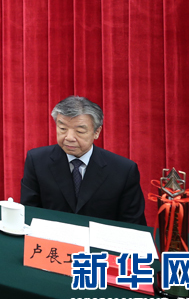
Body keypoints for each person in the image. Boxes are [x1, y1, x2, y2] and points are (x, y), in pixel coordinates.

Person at [20, 96, 146, 225]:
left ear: (97, 132)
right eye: (62, 129)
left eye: (79, 131)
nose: (69, 137)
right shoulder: (37, 160)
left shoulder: (123, 170)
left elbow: (133, 224)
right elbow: (29, 212)